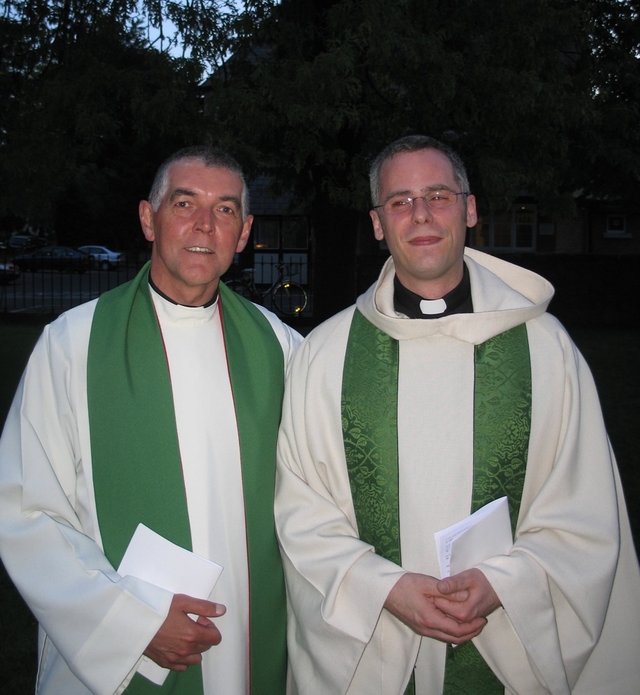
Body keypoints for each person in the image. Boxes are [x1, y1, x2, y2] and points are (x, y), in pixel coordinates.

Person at [275, 134, 640, 695]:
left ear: (469, 210)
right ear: (377, 223)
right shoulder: (324, 356)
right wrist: (382, 590)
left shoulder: (545, 349)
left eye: (438, 195)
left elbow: (584, 512)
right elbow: (301, 514)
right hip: (376, 651)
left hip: (504, 648)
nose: (420, 214)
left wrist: (504, 585)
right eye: (399, 201)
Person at [0, 146, 302, 695]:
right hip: (122, 648)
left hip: (247, 637)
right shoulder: (73, 344)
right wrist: (132, 625)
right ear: (148, 217)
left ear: (244, 231)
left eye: (226, 209)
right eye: (184, 202)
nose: (205, 225)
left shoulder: (279, 346)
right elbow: (24, 510)